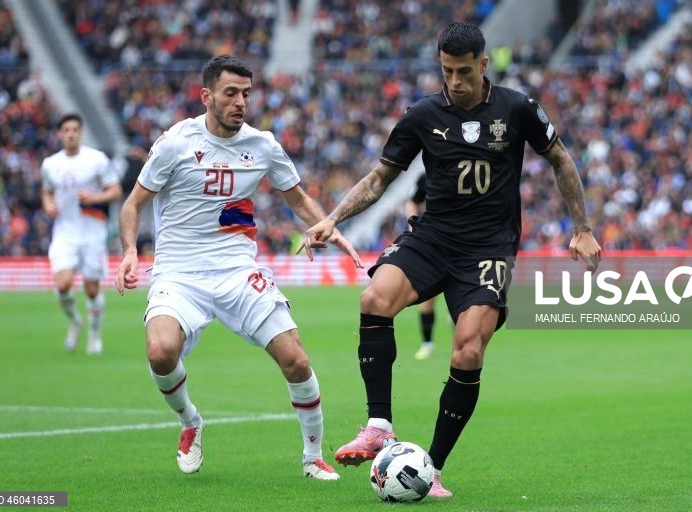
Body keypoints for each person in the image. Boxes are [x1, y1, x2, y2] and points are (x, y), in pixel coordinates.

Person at [300, 22, 601, 498]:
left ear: (484, 65)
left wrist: (582, 228)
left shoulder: (517, 108)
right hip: (434, 237)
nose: (455, 82)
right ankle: (380, 425)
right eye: (446, 71)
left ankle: (430, 468)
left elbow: (561, 158)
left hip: (488, 248)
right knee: (375, 298)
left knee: (468, 349)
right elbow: (380, 178)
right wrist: (333, 217)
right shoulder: (422, 114)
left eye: (464, 71)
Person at [115, 54, 361, 480]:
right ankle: (190, 420)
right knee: (160, 352)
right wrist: (130, 252)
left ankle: (313, 456)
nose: (240, 102)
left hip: (236, 269)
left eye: (246, 93)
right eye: (231, 93)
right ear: (206, 96)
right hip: (179, 272)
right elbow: (134, 204)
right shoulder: (175, 142)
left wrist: (327, 225)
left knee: (296, 360)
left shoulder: (263, 145)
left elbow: (299, 199)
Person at [41, 113, 122, 355]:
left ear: (81, 132)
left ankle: (95, 335)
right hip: (64, 233)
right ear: (59, 134)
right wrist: (48, 205)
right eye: (66, 129)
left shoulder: (96, 160)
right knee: (63, 284)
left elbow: (116, 190)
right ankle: (76, 321)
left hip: (93, 232)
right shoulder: (50, 164)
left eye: (75, 129)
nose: (71, 133)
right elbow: (46, 191)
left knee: (91, 290)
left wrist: (95, 198)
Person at [406, 172, 439, 360]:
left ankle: (460, 344)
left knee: (460, 302)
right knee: (428, 299)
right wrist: (413, 224)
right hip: (432, 243)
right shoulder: (426, 176)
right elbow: (412, 201)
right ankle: (427, 344)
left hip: (462, 242)